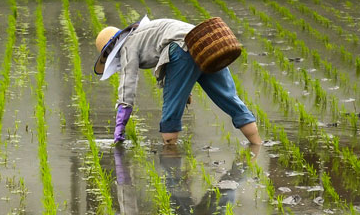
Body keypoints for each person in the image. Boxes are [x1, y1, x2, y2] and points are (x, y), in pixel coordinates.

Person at [94, 18, 261, 145]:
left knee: (171, 112)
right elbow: (172, 49)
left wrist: (121, 123)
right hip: (205, 45)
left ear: (112, 49)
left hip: (183, 49)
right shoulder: (145, 31)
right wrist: (184, 88)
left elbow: (127, 83)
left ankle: (172, 166)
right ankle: (257, 147)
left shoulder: (127, 47)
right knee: (229, 99)